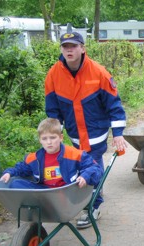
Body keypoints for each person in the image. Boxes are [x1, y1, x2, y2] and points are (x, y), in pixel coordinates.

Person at [45, 31, 127, 228]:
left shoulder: (99, 73)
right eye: (65, 46)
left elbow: (114, 106)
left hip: (95, 132)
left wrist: (117, 134)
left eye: (74, 46)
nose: (69, 50)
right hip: (74, 133)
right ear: (61, 50)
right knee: (80, 166)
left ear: (82, 48)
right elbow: (53, 111)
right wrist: (54, 137)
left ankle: (92, 206)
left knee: (90, 165)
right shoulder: (53, 75)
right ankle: (90, 194)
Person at [0, 118, 102, 192]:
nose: (49, 142)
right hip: (45, 193)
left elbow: (95, 167)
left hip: (67, 192)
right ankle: (36, 214)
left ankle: (40, 211)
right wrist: (9, 172)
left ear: (61, 137)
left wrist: (85, 176)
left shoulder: (74, 154)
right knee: (15, 184)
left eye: (53, 138)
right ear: (40, 140)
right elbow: (21, 168)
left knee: (90, 175)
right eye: (44, 139)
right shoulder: (35, 158)